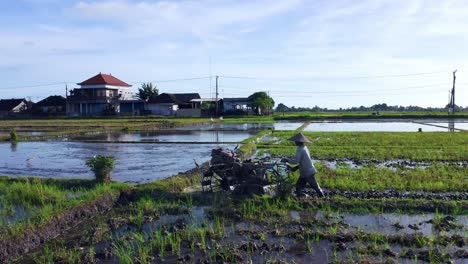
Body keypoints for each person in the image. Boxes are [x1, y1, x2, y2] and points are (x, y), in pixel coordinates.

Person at [287, 132, 325, 197]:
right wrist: (296, 167)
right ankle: (299, 198)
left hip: (308, 172)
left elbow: (296, 161)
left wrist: (287, 160)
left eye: (296, 141)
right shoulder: (304, 148)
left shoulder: (300, 149)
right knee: (298, 186)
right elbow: (303, 161)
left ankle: (323, 198)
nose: (295, 142)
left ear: (299, 141)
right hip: (305, 171)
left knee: (315, 186)